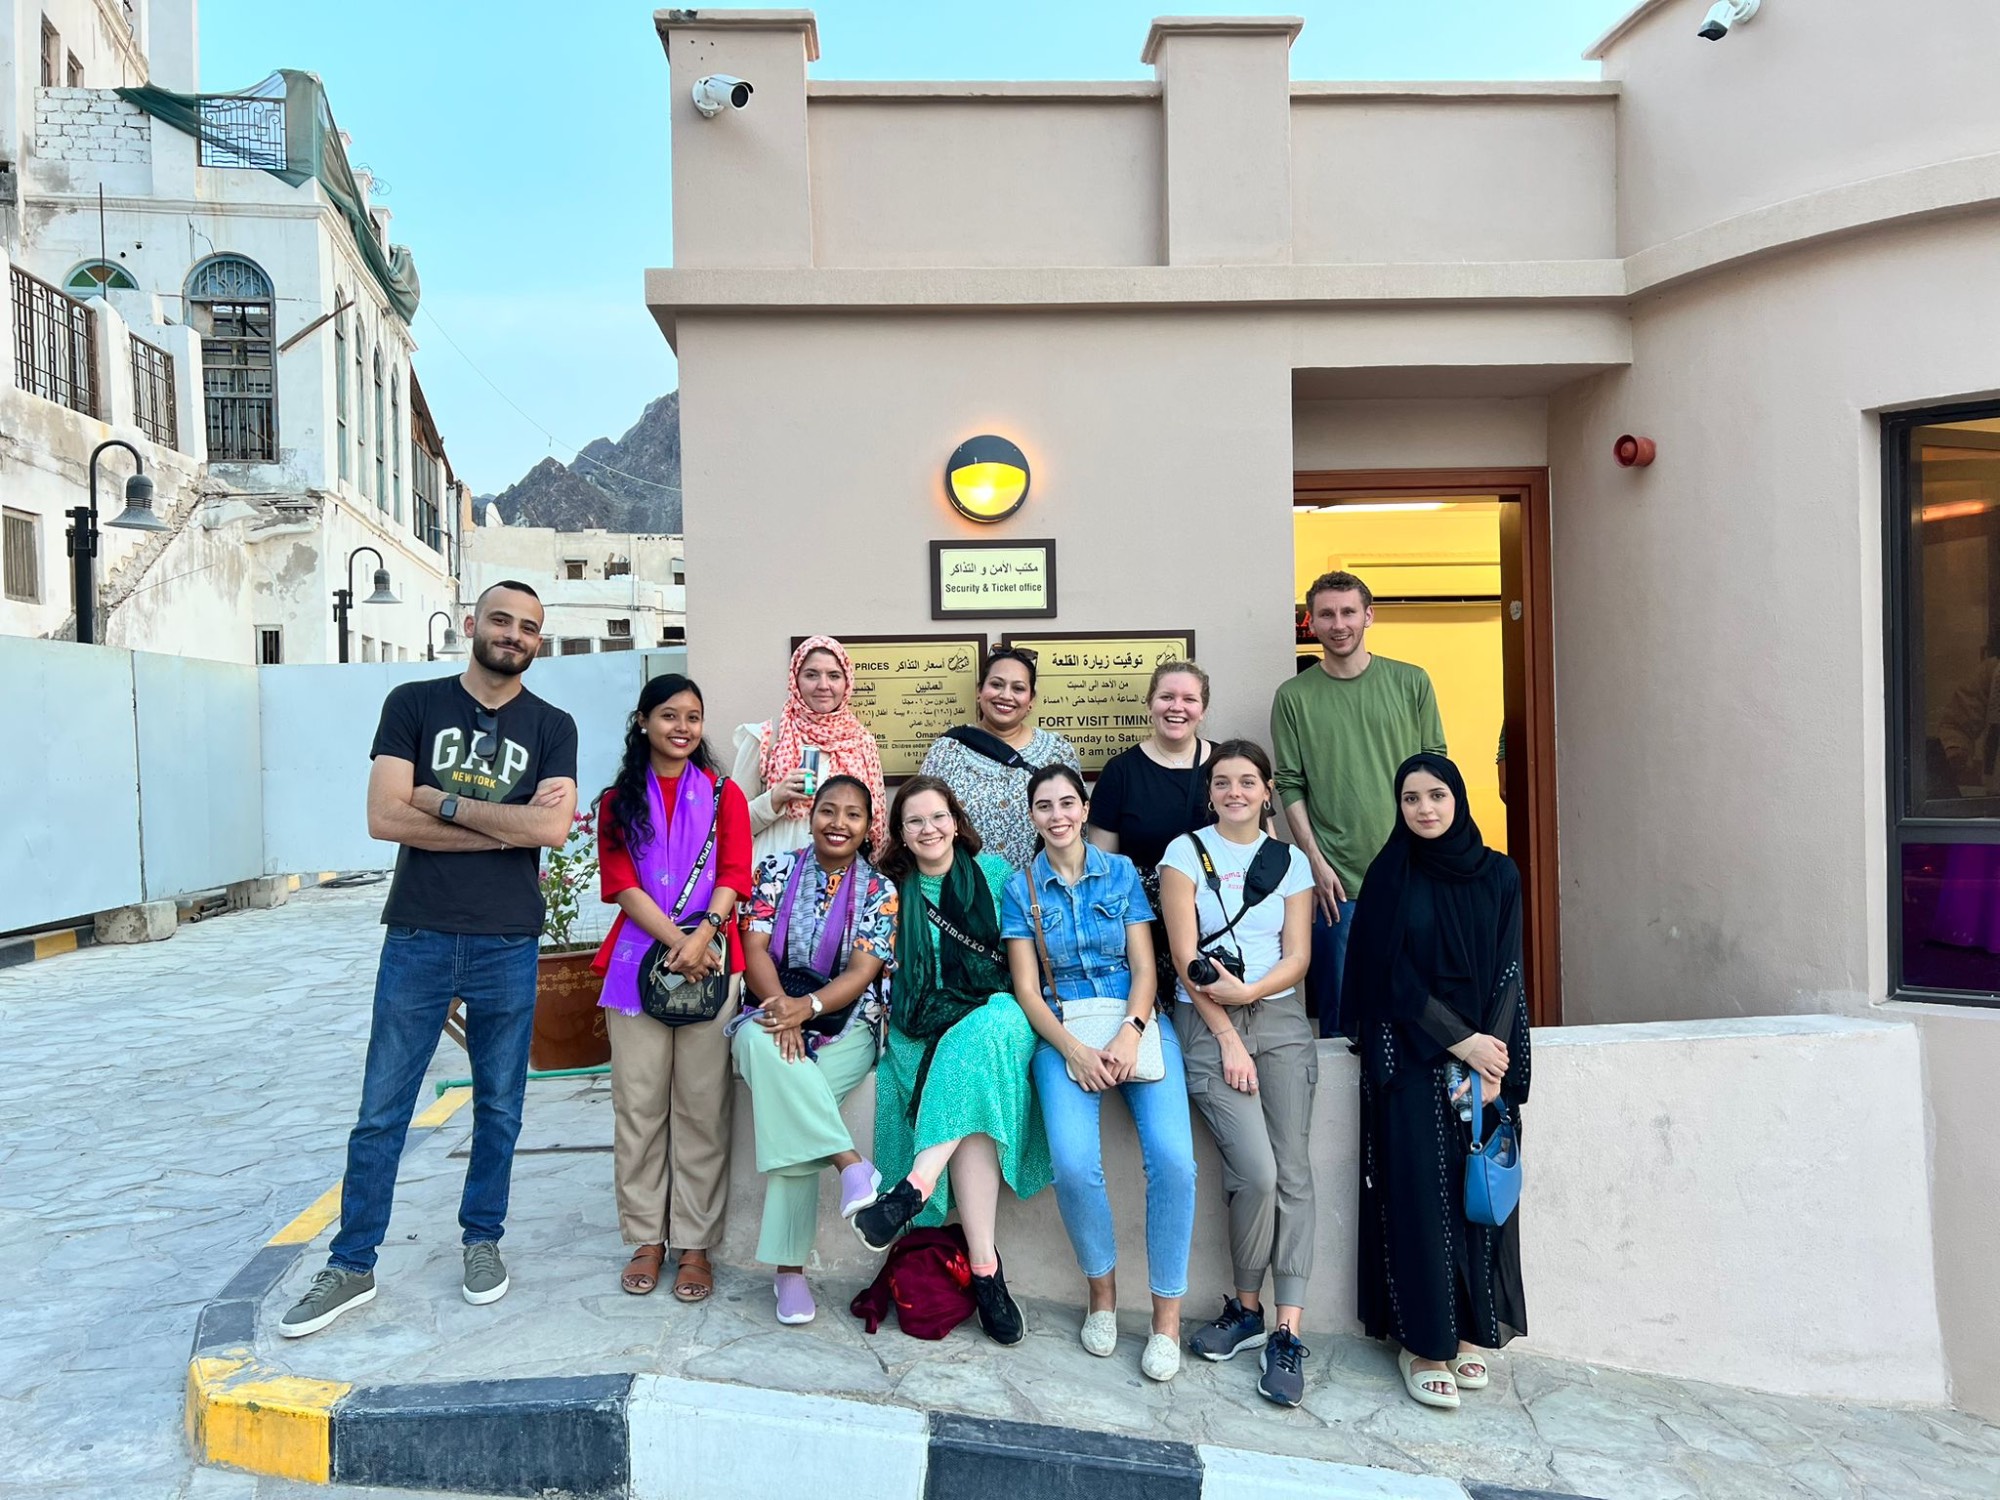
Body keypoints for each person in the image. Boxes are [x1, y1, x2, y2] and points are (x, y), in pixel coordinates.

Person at [282, 581, 578, 1338]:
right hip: (418, 934)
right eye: (502, 620)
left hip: (508, 938)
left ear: (538, 642)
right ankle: (352, 1263)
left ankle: (483, 1241)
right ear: (472, 623)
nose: (514, 635)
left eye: (529, 628)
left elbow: (551, 831)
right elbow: (385, 815)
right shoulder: (413, 703)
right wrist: (504, 827)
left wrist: (440, 802)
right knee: (382, 1108)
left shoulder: (552, 725)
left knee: (501, 1106)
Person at [1342, 754, 1530, 1410]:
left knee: (1476, 1196)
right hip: (1411, 1060)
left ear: (1458, 798)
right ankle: (1423, 1344)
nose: (1424, 808)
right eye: (1411, 798)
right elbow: (1385, 976)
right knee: (1420, 1198)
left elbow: (1509, 971)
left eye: (1436, 795)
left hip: (1485, 1064)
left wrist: (1491, 1064)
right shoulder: (1391, 874)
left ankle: (1471, 1331)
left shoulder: (1500, 873)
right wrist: (1461, 1042)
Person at [1004, 765, 1197, 1383]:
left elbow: (1145, 967)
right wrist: (1073, 1051)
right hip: (1062, 1025)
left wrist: (1130, 1032)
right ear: (1032, 816)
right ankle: (1103, 1295)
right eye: (1044, 806)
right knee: (1071, 1162)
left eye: (1067, 803)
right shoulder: (1020, 887)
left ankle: (1166, 1319)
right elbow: (1027, 990)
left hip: (1133, 1015)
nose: (1057, 815)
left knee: (1174, 1161)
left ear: (1085, 809)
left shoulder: (1120, 873)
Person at [850, 776, 1052, 1345]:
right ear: (901, 834)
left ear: (956, 822)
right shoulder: (892, 889)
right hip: (921, 1026)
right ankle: (986, 1272)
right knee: (971, 1105)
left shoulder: (996, 875)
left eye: (938, 817)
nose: (929, 829)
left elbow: (1024, 963)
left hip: (999, 1011)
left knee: (983, 1034)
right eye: (914, 821)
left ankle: (914, 1186)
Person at [1158, 739, 1317, 1407]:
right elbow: (1182, 955)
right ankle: (1246, 1309)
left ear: (1266, 789)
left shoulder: (1292, 862)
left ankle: (1287, 1329)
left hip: (1279, 1018)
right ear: (1210, 791)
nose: (1235, 792)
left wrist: (1250, 994)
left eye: (1248, 781)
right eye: (1222, 782)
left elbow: (1298, 955)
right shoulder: (1183, 854)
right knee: (1256, 1172)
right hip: (1206, 1020)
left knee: (1294, 1173)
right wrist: (1226, 1032)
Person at [592, 674, 754, 1304]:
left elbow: (735, 872)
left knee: (703, 1108)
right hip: (637, 967)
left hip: (713, 965)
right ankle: (645, 1239)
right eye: (668, 715)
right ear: (643, 721)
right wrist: (677, 943)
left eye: (692, 716)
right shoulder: (617, 801)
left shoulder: (723, 794)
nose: (682, 727)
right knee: (637, 1108)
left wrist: (703, 935)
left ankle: (694, 1245)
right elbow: (620, 883)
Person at [730, 775, 897, 1326]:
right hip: (767, 1011)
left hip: (848, 1024)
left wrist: (809, 1009)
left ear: (867, 827)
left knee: (795, 1098)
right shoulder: (775, 870)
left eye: (853, 815)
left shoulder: (879, 891)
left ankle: (789, 1271)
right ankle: (851, 1164)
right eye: (828, 810)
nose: (838, 823)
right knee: (768, 1054)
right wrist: (782, 1009)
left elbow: (863, 970)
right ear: (810, 815)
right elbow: (754, 946)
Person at [1272, 570, 1445, 1038]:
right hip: (1337, 881)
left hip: (1412, 869)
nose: (1338, 624)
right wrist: (1314, 861)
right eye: (1326, 614)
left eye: (1348, 612)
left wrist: (1431, 854)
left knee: (1423, 1005)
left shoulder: (1411, 682)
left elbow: (1436, 768)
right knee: (1342, 1014)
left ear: (1369, 616)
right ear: (1311, 622)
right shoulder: (1293, 697)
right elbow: (1289, 783)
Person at [1088, 660, 1218, 997]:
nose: (1177, 707)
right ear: (1149, 704)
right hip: (1145, 936)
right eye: (1167, 697)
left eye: (1189, 699)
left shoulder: (1226, 766)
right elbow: (1102, 870)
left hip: (1219, 928)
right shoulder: (1120, 772)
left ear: (1203, 710)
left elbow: (1263, 848)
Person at [730, 635, 890, 865]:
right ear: (795, 680)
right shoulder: (766, 738)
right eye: (811, 675)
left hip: (841, 875)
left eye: (834, 675)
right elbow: (730, 824)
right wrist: (775, 797)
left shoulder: (861, 742)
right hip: (774, 873)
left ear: (847, 682)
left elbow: (876, 825)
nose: (823, 685)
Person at [919, 647, 1081, 869]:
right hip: (967, 885)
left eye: (1018, 688)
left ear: (1031, 700)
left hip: (1040, 885)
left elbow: (1078, 829)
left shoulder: (1057, 752)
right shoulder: (947, 751)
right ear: (979, 691)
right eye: (996, 685)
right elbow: (921, 821)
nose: (1005, 695)